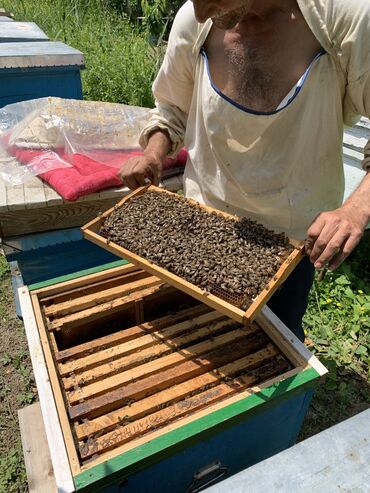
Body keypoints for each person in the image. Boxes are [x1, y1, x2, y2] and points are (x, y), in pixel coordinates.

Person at [119, 0, 370, 341]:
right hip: (200, 231)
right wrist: (153, 152)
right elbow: (172, 106)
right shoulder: (194, 21)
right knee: (194, 341)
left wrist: (355, 210)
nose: (200, 13)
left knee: (269, 355)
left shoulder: (345, 19)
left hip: (289, 246)